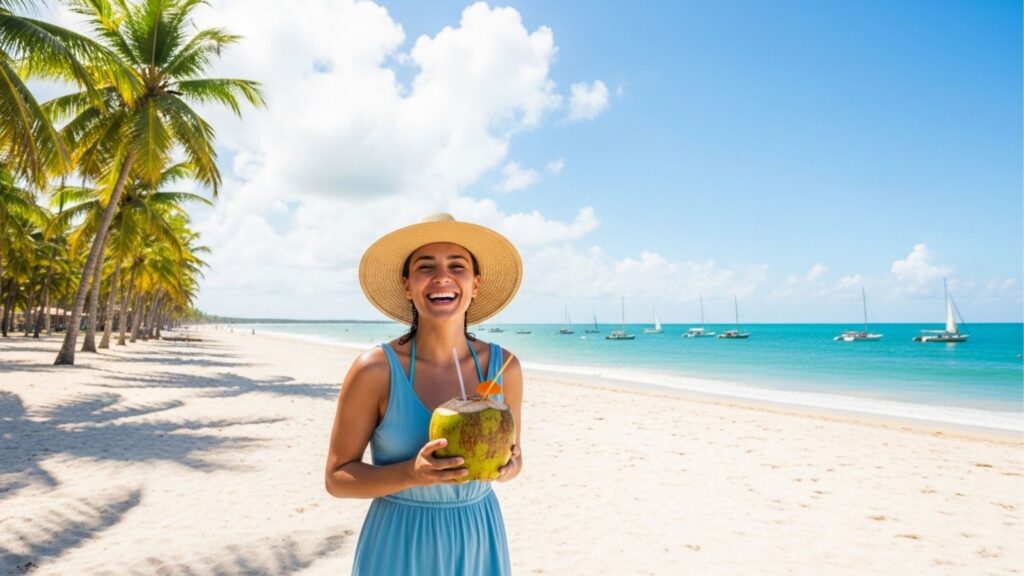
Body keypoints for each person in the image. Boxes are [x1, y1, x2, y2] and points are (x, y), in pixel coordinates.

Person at [325, 213, 524, 575]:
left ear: (475, 284)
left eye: (457, 266)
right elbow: (336, 479)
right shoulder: (375, 370)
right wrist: (411, 474)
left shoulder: (503, 368)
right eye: (426, 266)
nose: (442, 277)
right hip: (400, 539)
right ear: (407, 285)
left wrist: (508, 469)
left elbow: (514, 461)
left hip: (478, 534)